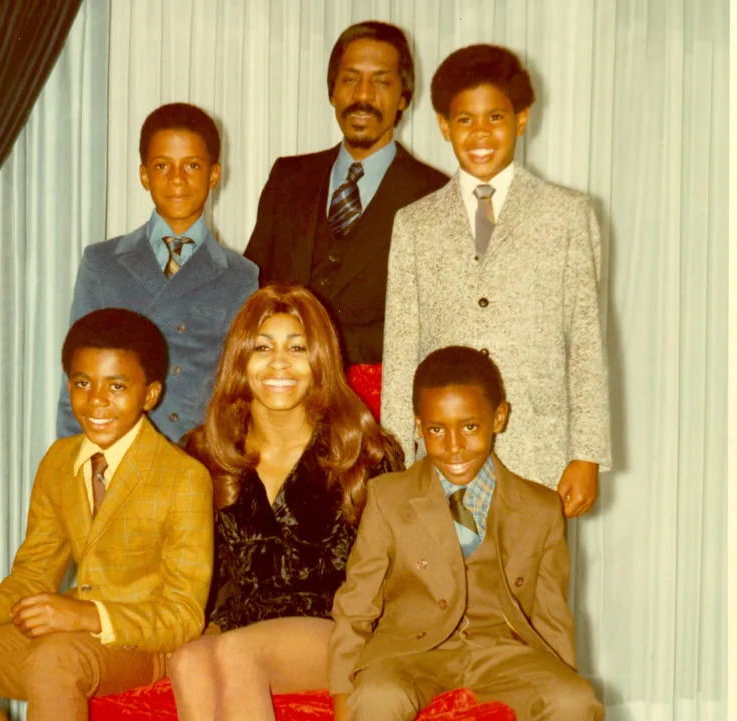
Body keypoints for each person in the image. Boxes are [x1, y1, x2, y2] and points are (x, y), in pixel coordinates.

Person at [0, 308, 214, 720]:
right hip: (69, 644)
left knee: (54, 656)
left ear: (150, 394)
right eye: (82, 383)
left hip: (146, 648)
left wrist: (86, 616)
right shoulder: (58, 461)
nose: (96, 402)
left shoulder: (184, 478)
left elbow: (183, 616)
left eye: (117, 386)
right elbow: (32, 577)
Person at [381, 44, 610, 517]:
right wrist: (398, 458)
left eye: (496, 118)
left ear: (522, 119)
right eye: (465, 120)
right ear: (444, 126)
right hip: (443, 457)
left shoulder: (567, 214)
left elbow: (585, 339)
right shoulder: (414, 223)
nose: (480, 134)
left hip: (539, 456)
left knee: (532, 585)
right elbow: (401, 347)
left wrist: (586, 454)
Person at [329, 346, 604, 721]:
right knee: (378, 696)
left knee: (575, 700)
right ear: (418, 424)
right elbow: (356, 605)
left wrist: (562, 675)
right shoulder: (388, 498)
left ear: (499, 417)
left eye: (470, 426)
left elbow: (552, 615)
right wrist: (344, 693)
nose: (454, 446)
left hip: (504, 654)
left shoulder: (541, 508)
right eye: (436, 429)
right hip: (410, 653)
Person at [168, 284, 403, 721]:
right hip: (238, 625)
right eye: (262, 347)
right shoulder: (204, 453)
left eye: (297, 348)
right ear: (241, 360)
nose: (279, 363)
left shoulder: (365, 453)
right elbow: (196, 571)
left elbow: (394, 574)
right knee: (186, 659)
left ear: (320, 362)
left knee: (238, 651)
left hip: (336, 629)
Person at [244, 21, 447, 366]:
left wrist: (318, 345)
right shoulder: (287, 177)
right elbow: (252, 287)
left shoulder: (436, 195)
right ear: (332, 91)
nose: (363, 96)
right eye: (350, 79)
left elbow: (429, 323)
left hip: (374, 401)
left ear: (403, 98)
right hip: (281, 391)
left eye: (381, 81)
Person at [57, 102, 258, 444]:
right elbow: (76, 376)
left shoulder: (241, 276)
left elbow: (241, 393)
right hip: (119, 455)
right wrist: (71, 462)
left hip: (201, 461)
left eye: (191, 166)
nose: (177, 179)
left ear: (214, 174)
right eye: (162, 166)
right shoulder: (102, 263)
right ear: (144, 175)